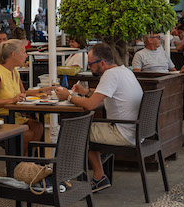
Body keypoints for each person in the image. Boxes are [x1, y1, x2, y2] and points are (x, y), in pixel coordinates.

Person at [55, 43, 143, 192]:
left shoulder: (110, 75)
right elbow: (105, 93)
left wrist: (68, 96)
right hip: (135, 131)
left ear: (102, 62)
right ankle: (100, 158)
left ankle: (97, 176)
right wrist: (86, 91)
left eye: (91, 64)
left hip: (123, 132)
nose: (89, 67)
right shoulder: (123, 70)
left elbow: (90, 105)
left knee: (75, 131)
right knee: (87, 128)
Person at [0, 39, 54, 154]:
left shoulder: (14, 71)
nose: (26, 55)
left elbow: (22, 94)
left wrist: (41, 91)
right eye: (23, 52)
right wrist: (12, 100)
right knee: (26, 133)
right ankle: (20, 165)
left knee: (38, 126)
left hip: (11, 117)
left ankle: (29, 161)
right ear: (14, 55)